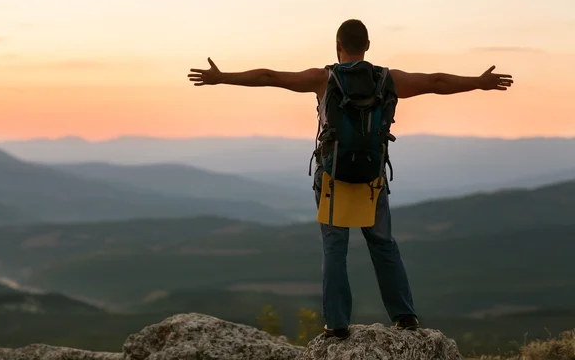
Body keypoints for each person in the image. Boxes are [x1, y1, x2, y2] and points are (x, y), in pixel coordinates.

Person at [187, 19, 514, 339]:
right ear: (368, 46)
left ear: (338, 46)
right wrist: (479, 82)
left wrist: (221, 77)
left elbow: (268, 76)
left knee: (335, 248)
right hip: (372, 179)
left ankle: (337, 323)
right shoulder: (387, 79)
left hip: (334, 178)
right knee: (384, 245)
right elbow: (436, 81)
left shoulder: (324, 78)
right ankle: (405, 316)